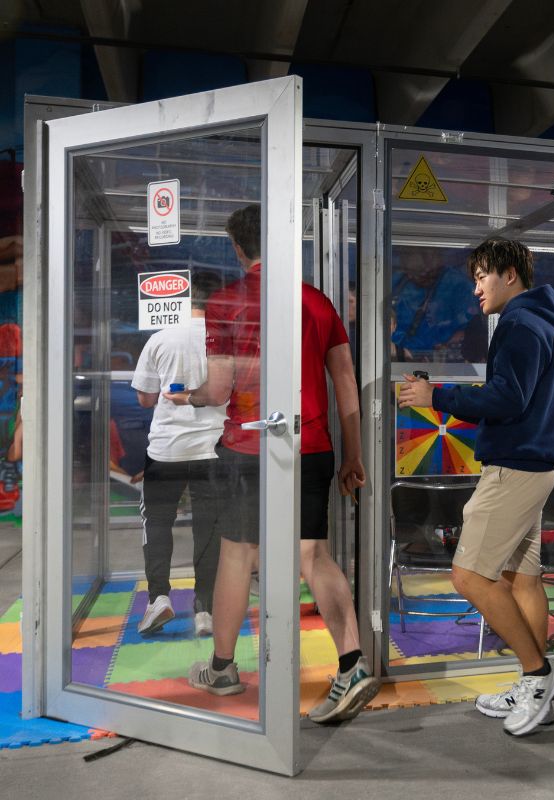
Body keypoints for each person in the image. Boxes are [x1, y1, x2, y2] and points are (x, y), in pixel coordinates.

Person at [170, 205, 378, 725]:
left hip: (247, 447)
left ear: (239, 249)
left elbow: (219, 388)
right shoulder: (316, 301)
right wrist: (352, 453)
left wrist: (185, 397)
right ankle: (352, 663)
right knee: (314, 555)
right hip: (311, 445)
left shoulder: (226, 300)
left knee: (238, 554)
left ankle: (222, 669)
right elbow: (346, 385)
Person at [396, 237, 554, 737]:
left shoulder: (518, 324)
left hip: (515, 468)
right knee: (523, 578)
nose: (476, 287)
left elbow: (506, 398)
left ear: (510, 275)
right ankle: (533, 681)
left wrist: (437, 395)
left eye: (482, 276)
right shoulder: (542, 323)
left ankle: (540, 675)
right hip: (535, 464)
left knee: (470, 576)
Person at [130, 270, 226, 638]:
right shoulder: (223, 340)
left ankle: (159, 598)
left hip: (166, 449)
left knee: (156, 522)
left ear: (183, 303)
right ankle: (204, 606)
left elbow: (144, 398)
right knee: (209, 527)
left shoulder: (161, 338)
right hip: (212, 448)